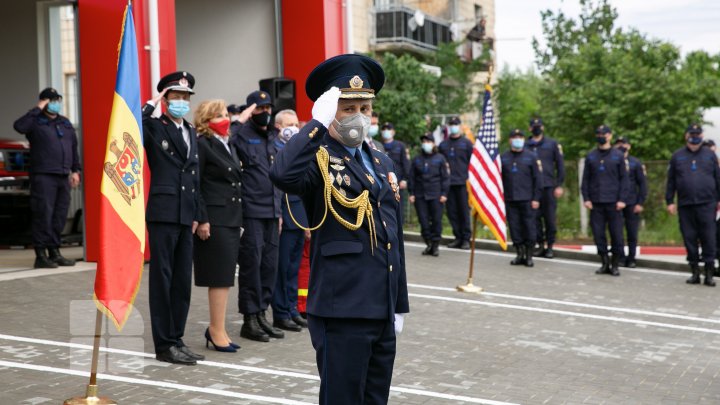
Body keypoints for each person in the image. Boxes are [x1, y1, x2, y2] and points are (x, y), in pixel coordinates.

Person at [270, 54, 409, 405]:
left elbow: (393, 235)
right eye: (348, 108)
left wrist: (398, 303)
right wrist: (315, 125)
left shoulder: (380, 158)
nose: (360, 116)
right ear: (330, 109)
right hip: (342, 307)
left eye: (365, 108)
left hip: (380, 305)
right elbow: (283, 176)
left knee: (375, 399)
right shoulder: (319, 156)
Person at [142, 71, 204, 365]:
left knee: (181, 281)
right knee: (162, 280)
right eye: (175, 97)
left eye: (185, 97)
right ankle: (164, 344)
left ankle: (177, 338)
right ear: (165, 99)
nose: (181, 101)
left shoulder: (190, 130)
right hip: (164, 212)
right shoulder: (155, 127)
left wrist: (200, 214)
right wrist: (148, 107)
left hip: (185, 214)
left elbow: (195, 177)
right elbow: (132, 129)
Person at [230, 90, 285, 342]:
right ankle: (249, 319)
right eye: (260, 109)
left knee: (269, 266)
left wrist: (280, 212)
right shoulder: (242, 135)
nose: (265, 113)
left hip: (273, 212)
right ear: (250, 111)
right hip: (251, 211)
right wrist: (239, 120)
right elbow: (226, 143)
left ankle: (262, 314)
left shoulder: (273, 136)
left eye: (268, 109)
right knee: (252, 265)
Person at [193, 99, 244, 353]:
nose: (225, 119)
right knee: (219, 276)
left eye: (225, 114)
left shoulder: (226, 144)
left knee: (224, 277)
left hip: (231, 218)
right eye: (218, 116)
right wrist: (202, 218)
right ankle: (215, 330)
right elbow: (197, 184)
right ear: (205, 121)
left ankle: (219, 328)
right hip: (214, 219)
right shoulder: (203, 144)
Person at [14, 87, 81, 269]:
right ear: (43, 102)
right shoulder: (35, 121)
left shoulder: (65, 123)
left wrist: (75, 170)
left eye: (57, 100)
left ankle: (54, 252)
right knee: (44, 214)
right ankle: (41, 255)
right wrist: (37, 108)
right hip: (43, 176)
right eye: (51, 100)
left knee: (59, 216)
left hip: (62, 176)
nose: (56, 103)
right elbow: (19, 126)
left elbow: (73, 149)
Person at [666, 123, 720, 286]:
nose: (694, 137)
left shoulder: (709, 155)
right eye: (691, 134)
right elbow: (671, 181)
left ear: (701, 136)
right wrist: (669, 201)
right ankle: (694, 272)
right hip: (685, 204)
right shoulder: (678, 156)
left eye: (697, 134)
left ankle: (709, 274)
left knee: (709, 238)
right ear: (686, 136)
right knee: (689, 237)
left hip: (707, 204)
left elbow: (718, 178)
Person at [271, 109, 309, 331]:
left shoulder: (299, 150)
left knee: (294, 267)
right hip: (284, 215)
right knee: (283, 268)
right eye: (289, 124)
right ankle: (281, 312)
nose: (294, 128)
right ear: (278, 126)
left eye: (296, 124)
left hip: (299, 215)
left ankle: (292, 309)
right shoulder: (275, 149)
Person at [581, 125, 629, 276]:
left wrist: (622, 199)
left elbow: (624, 180)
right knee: (598, 234)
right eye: (599, 133)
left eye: (604, 134)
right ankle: (604, 262)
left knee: (616, 234)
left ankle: (615, 264)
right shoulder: (591, 156)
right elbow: (585, 180)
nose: (601, 136)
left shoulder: (618, 156)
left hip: (614, 203)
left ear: (610, 136)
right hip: (596, 202)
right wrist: (586, 198)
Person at [501, 129, 542, 267]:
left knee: (529, 227)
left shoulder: (531, 157)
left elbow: (537, 179)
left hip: (527, 199)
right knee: (514, 227)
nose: (517, 139)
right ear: (510, 140)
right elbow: (499, 179)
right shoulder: (504, 157)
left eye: (520, 137)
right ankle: (519, 253)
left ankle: (529, 255)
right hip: (510, 198)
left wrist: (536, 198)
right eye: (514, 137)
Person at [526, 117, 565, 258]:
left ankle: (550, 246)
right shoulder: (526, 145)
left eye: (539, 126)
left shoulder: (552, 144)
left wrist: (559, 184)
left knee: (549, 218)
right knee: (534, 218)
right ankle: (539, 244)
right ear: (530, 128)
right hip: (531, 189)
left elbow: (560, 165)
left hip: (548, 186)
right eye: (534, 126)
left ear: (542, 127)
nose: (537, 128)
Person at [408, 133, 450, 256]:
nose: (426, 144)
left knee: (436, 221)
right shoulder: (417, 159)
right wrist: (411, 193)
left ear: (433, 143)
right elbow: (412, 177)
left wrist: (444, 193)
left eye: (428, 141)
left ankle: (435, 245)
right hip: (420, 196)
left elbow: (445, 177)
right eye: (424, 141)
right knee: (424, 222)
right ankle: (428, 244)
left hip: (436, 195)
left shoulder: (440, 158)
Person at [438, 116, 473, 249]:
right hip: (448, 184)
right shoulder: (443, 145)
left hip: (463, 183)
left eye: (455, 124)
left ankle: (466, 239)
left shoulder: (467, 143)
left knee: (464, 211)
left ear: (460, 125)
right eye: (451, 124)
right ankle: (457, 237)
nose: (453, 126)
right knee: (452, 212)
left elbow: (473, 163)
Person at [613, 137, 647, 268]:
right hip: (616, 201)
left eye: (623, 144)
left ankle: (631, 258)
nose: (621, 146)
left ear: (629, 146)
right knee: (617, 231)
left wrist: (640, 202)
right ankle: (620, 256)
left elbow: (642, 184)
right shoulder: (614, 161)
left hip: (632, 201)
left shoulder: (635, 163)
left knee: (632, 232)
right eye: (618, 144)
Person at [380, 121, 410, 212]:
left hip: (398, 182)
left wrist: (405, 179)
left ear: (393, 132)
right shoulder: (378, 145)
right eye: (384, 129)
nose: (386, 131)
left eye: (388, 129)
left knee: (398, 207)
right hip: (382, 181)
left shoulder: (400, 146)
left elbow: (406, 163)